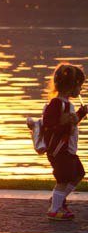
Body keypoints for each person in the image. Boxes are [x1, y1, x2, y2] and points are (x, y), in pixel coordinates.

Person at [41, 63, 86, 220]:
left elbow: (70, 124)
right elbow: (49, 125)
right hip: (59, 150)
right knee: (63, 178)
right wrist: (67, 122)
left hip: (69, 149)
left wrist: (80, 114)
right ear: (72, 86)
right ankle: (54, 209)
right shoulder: (56, 103)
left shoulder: (69, 105)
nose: (81, 90)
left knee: (79, 173)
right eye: (80, 86)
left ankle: (57, 200)